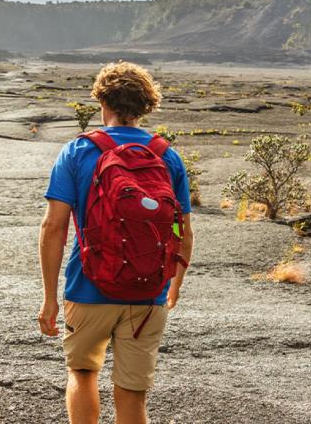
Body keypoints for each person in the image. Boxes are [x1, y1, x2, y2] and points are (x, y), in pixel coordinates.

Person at [38, 61, 194, 424]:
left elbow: (53, 227)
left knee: (82, 373)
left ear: (102, 101)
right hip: (148, 292)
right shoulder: (167, 156)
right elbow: (182, 231)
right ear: (145, 106)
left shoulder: (77, 152)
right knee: (133, 394)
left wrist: (49, 297)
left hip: (88, 286)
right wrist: (174, 283)